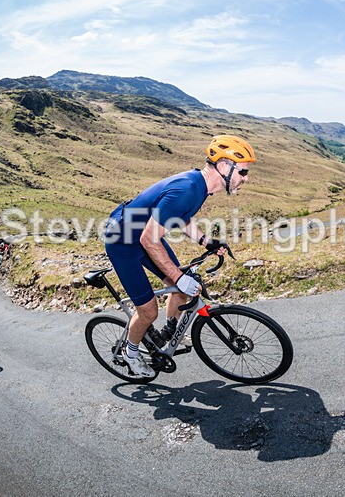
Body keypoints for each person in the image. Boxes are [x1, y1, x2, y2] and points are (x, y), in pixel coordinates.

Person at [104, 135, 255, 377]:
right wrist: (177, 276)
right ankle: (130, 354)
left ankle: (169, 335)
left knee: (183, 286)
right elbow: (148, 239)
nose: (246, 179)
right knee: (148, 310)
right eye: (244, 172)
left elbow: (180, 217)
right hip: (122, 242)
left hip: (143, 234)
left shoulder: (200, 187)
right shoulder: (188, 188)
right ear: (225, 166)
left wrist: (206, 241)